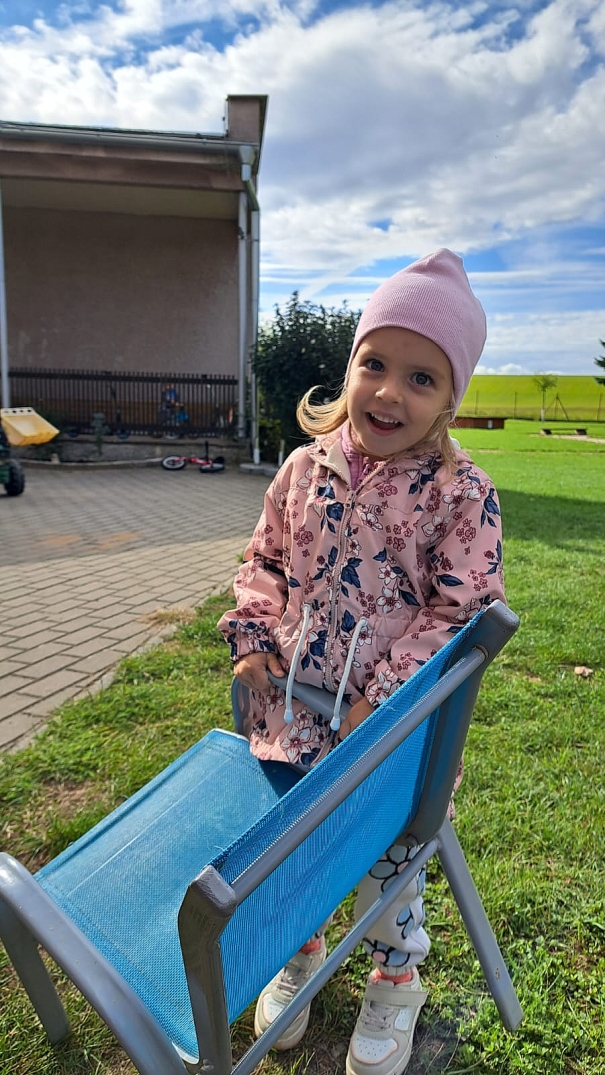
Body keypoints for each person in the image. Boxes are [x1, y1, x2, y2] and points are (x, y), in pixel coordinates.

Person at [217, 249, 505, 1075]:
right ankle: (300, 948)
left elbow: (459, 614)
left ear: (450, 397)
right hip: (291, 714)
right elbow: (264, 558)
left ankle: (394, 978)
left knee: (387, 864)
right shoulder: (303, 467)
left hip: (391, 733)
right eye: (374, 363)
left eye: (421, 377)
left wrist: (381, 697)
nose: (388, 392)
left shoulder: (461, 493)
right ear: (349, 367)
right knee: (292, 849)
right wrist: (253, 634)